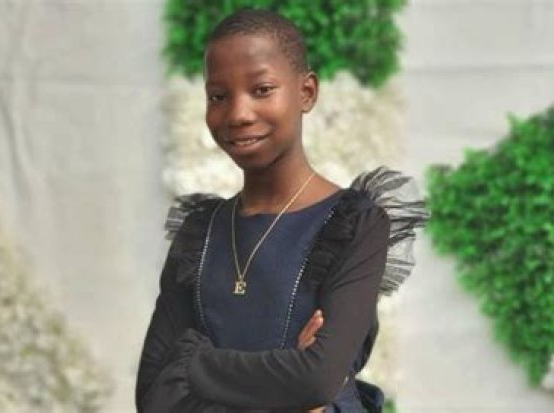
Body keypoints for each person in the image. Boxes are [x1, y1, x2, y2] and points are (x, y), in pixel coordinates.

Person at [136, 9, 427, 412]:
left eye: (261, 90)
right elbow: (153, 397)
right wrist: (289, 388)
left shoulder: (354, 224)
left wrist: (193, 365)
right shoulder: (199, 234)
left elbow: (317, 379)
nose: (238, 113)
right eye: (218, 96)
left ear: (306, 93)